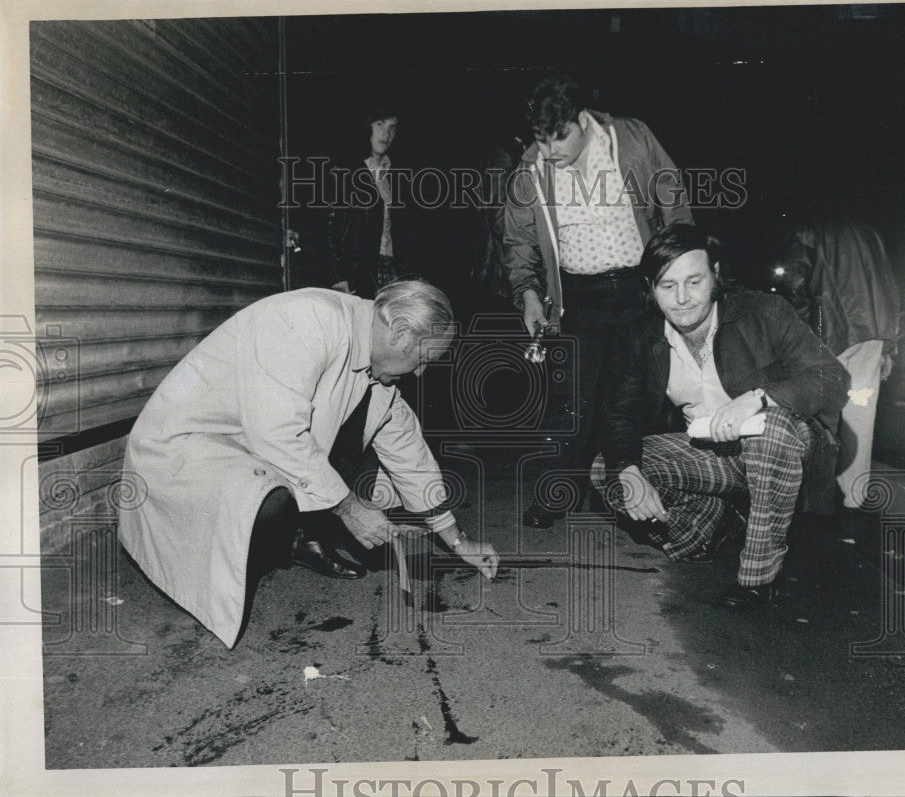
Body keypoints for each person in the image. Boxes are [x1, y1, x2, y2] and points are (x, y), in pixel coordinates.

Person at [117, 281, 499, 648]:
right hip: (181, 453)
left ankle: (296, 535)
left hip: (238, 448)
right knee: (271, 497)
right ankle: (280, 541)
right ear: (399, 331)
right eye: (422, 359)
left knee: (347, 451)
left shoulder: (373, 368)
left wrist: (459, 541)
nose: (419, 373)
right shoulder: (306, 320)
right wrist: (348, 508)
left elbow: (410, 455)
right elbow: (276, 433)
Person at [591, 224, 849, 609]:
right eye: (667, 286)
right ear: (650, 287)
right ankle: (712, 525)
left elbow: (834, 379)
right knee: (606, 469)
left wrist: (760, 398)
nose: (682, 299)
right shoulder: (640, 335)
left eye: (694, 281)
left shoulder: (763, 311)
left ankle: (758, 579)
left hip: (781, 450)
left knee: (771, 431)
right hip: (713, 456)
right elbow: (619, 411)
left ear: (714, 273)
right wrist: (628, 471)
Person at [504, 74, 693, 528]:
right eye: (539, 139)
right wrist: (529, 294)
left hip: (638, 289)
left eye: (559, 136)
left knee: (631, 394)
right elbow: (519, 243)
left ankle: (629, 491)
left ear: (582, 119)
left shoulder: (631, 138)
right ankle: (557, 492)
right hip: (576, 296)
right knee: (570, 399)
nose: (549, 150)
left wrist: (681, 273)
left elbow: (674, 203)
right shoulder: (530, 170)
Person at [771, 217, 900, 510]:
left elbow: (795, 284)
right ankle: (854, 498)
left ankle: (816, 500)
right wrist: (889, 347)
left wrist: (798, 331)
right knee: (860, 416)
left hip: (829, 332)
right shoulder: (870, 232)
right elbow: (890, 289)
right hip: (872, 335)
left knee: (820, 418)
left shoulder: (808, 230)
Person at [327, 104, 411, 298]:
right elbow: (328, 225)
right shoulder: (345, 169)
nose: (386, 133)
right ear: (367, 127)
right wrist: (337, 276)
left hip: (390, 267)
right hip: (358, 271)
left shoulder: (393, 174)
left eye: (392, 128)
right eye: (380, 124)